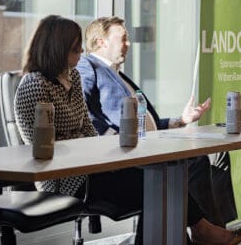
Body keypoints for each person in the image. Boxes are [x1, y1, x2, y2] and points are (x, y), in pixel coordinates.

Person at [14, 15, 241, 245]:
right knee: (158, 183)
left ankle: (200, 232)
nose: (80, 53)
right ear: (57, 49)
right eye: (75, 48)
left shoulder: (71, 76)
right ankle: (202, 232)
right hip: (66, 179)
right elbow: (44, 145)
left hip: (95, 166)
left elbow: (86, 127)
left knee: (165, 177)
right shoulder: (36, 84)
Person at [76, 16, 231, 228]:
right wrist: (115, 138)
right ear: (102, 42)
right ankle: (209, 232)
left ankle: (216, 228)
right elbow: (81, 109)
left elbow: (151, 123)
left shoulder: (120, 76)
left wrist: (181, 120)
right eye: (123, 38)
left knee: (218, 155)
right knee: (196, 162)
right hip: (129, 152)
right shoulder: (88, 66)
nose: (128, 44)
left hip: (152, 143)